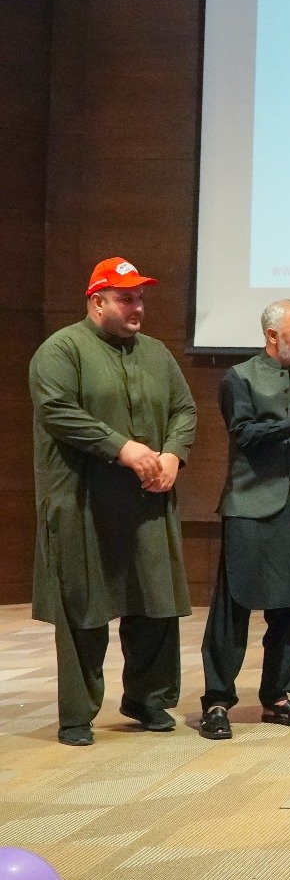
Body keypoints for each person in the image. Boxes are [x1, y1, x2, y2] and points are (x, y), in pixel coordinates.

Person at [29, 257, 197, 746]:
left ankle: (148, 700)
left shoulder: (157, 353)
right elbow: (58, 411)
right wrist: (121, 447)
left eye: (140, 296)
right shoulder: (61, 349)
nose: (137, 306)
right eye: (126, 297)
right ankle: (77, 715)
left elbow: (184, 409)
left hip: (148, 499)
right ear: (96, 301)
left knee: (155, 602)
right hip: (83, 501)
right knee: (84, 608)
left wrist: (172, 454)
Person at [197, 300, 290, 741]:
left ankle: (277, 697)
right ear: (273, 335)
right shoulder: (239, 377)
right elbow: (245, 436)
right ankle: (217, 700)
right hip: (252, 502)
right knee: (234, 605)